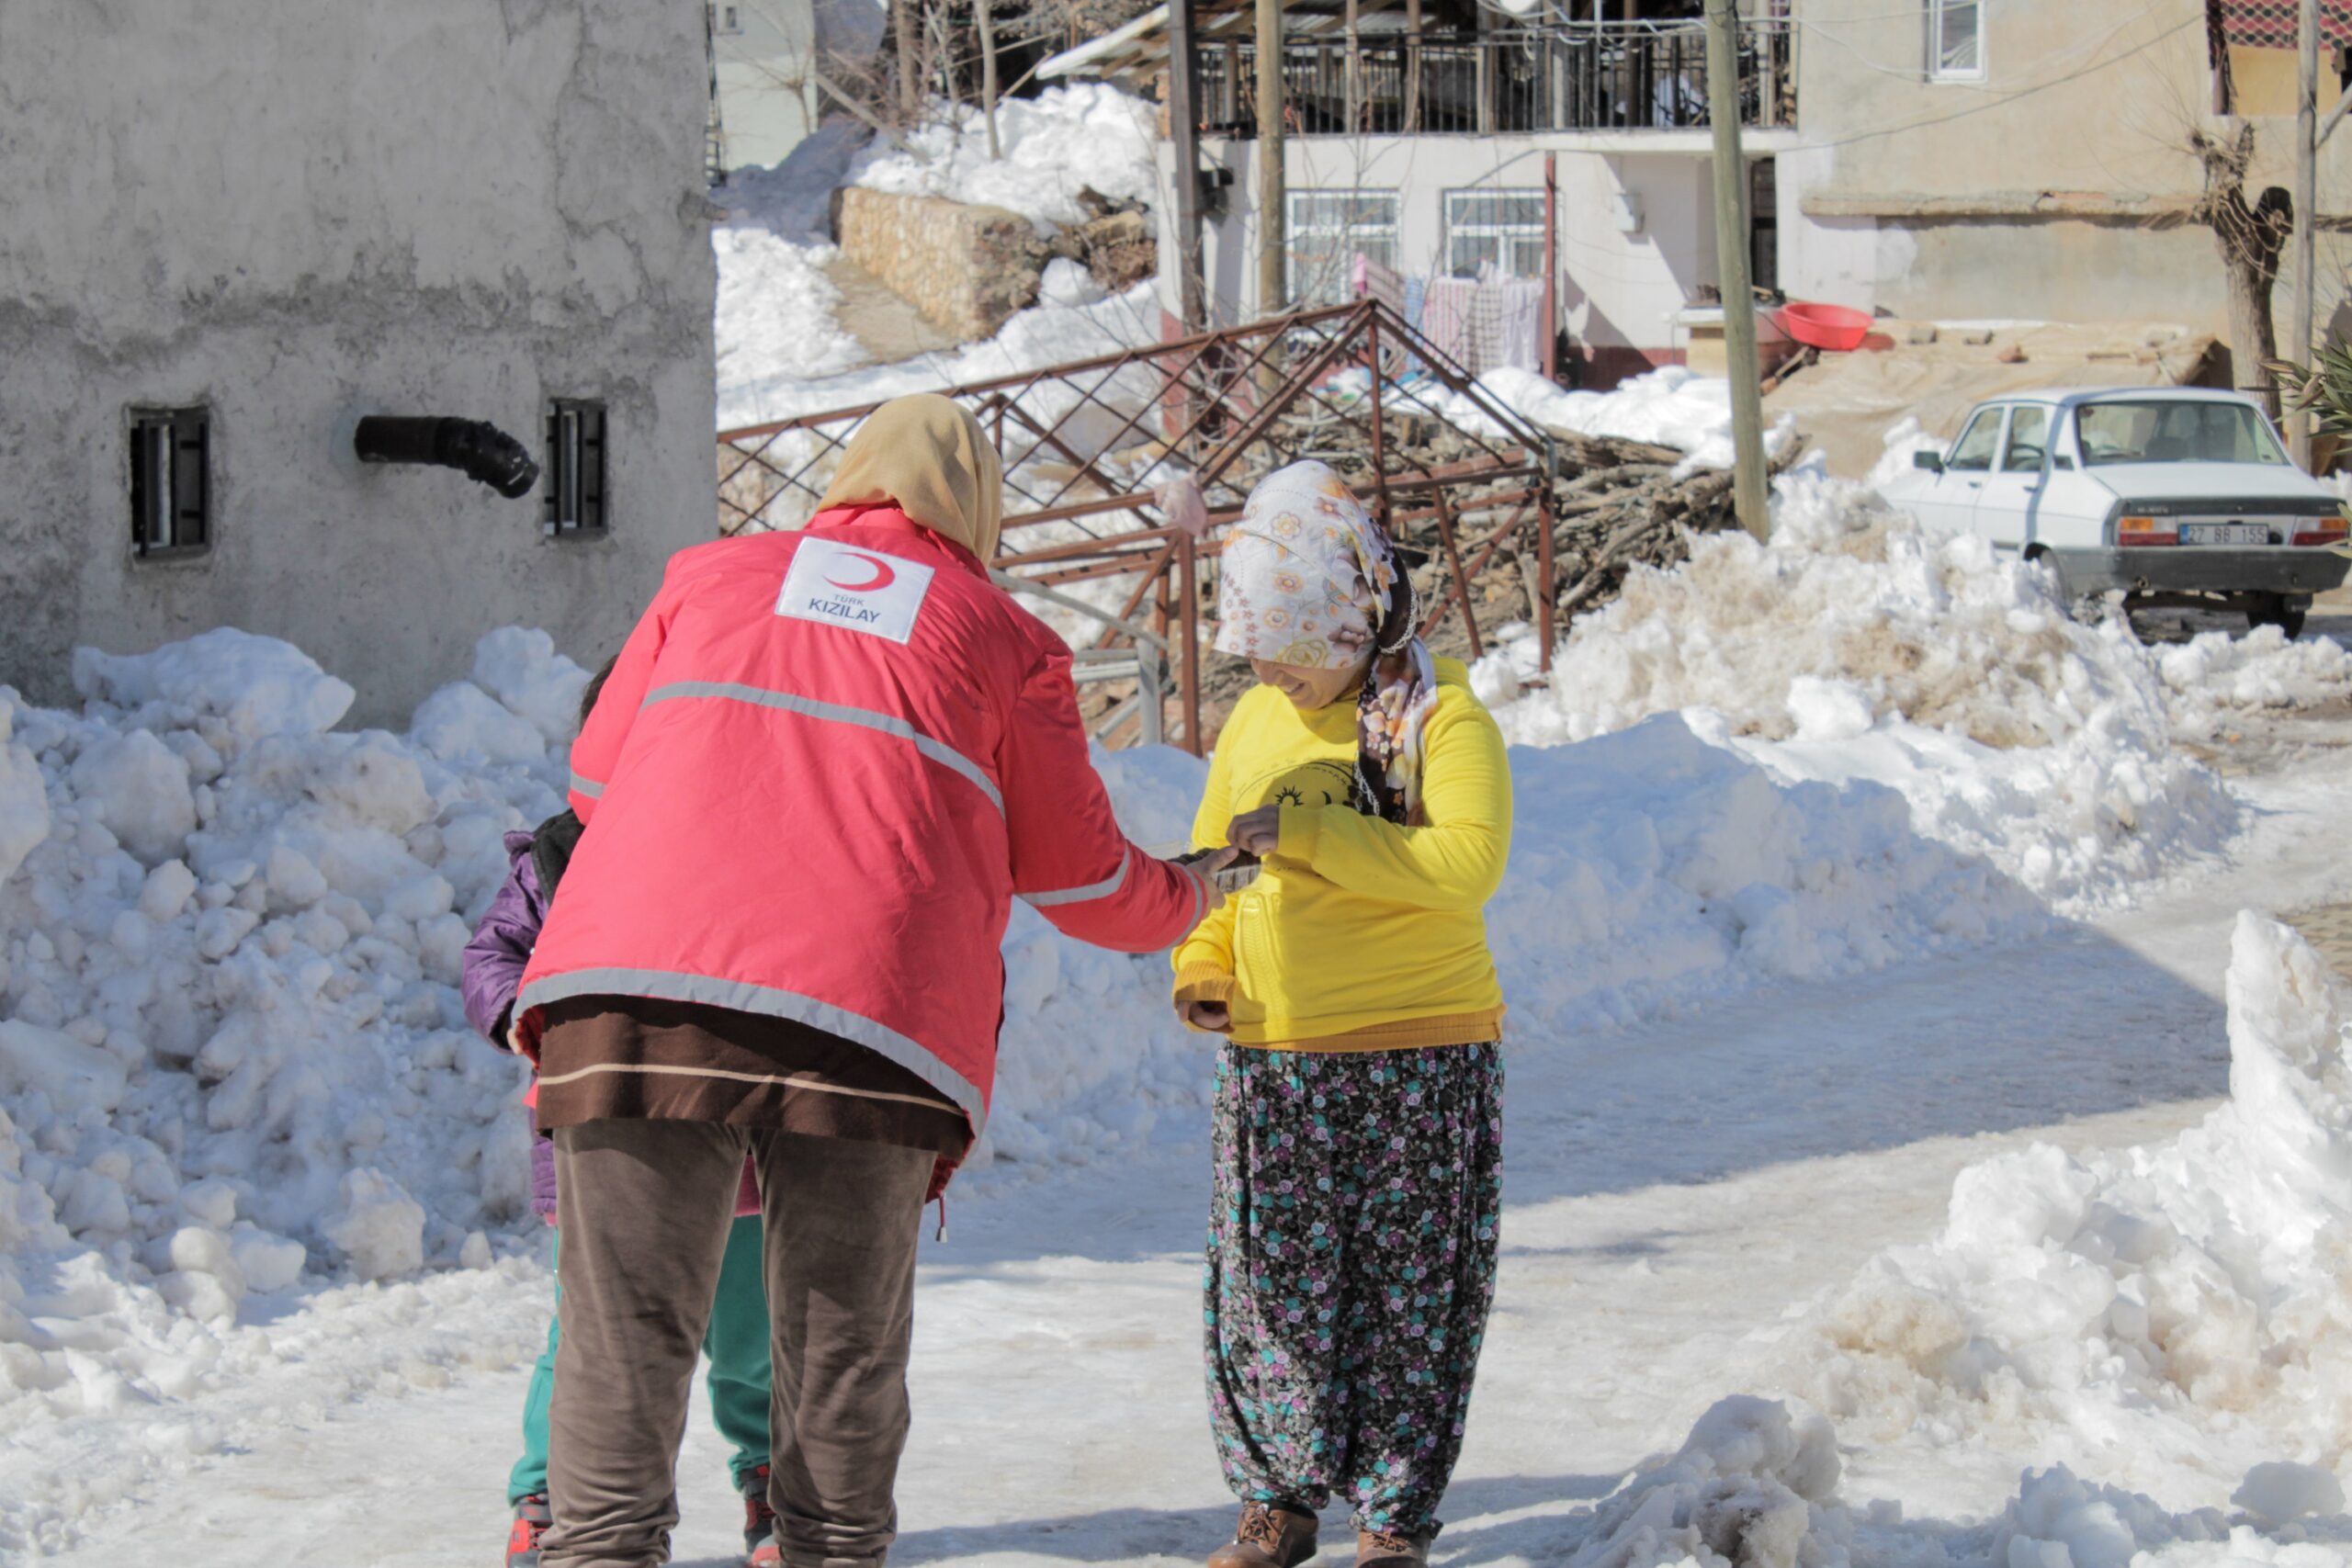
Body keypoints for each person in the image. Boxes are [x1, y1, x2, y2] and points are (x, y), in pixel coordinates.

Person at [508, 393, 1231, 1568]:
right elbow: (1084, 878)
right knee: (837, 1344)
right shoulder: (1000, 636)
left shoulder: (707, 576)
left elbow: (595, 784)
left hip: (633, 995)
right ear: (976, 512)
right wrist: (1194, 894)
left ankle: (593, 1550)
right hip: (867, 1025)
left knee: (621, 1333)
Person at [1170, 461, 1512, 1568]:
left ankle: (1392, 1521)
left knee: (1411, 1294)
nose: (1273, 669)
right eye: (1259, 649)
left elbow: (1467, 864)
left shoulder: (1440, 719)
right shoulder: (1255, 723)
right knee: (1271, 1291)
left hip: (1422, 1044)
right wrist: (1204, 960)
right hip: (1279, 1052)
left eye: (1295, 648)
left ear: (1353, 625)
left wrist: (1309, 836)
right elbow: (1220, 864)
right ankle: (1276, 1502)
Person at [461, 664, 784, 1568]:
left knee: (754, 1327)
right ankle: (552, 1496)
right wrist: (520, 1012)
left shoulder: (753, 843)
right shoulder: (562, 854)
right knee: (592, 1335)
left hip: (738, 1134)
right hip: (601, 1131)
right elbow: (494, 953)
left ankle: (775, 1489)